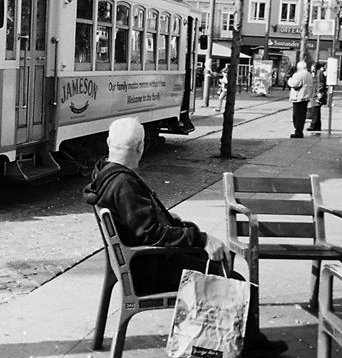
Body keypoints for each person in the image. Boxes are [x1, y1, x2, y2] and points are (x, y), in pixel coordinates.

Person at [83, 117, 288, 356]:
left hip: (140, 265)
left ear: (109, 142)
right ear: (140, 148)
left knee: (222, 267)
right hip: (150, 271)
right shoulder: (124, 183)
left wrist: (164, 218)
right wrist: (201, 239)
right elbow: (151, 234)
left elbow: (139, 223)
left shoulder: (106, 173)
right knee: (234, 279)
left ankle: (242, 342)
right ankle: (247, 347)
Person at [287, 61, 313, 138]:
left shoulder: (299, 74)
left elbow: (294, 84)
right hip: (306, 97)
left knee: (297, 115)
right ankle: (300, 130)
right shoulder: (308, 74)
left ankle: (298, 131)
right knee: (302, 115)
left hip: (298, 97)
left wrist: (289, 80)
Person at [307, 62, 325, 132]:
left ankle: (313, 125)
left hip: (316, 94)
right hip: (314, 93)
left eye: (313, 67)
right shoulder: (316, 73)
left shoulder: (319, 73)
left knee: (315, 110)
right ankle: (317, 125)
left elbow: (320, 83)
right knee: (316, 110)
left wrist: (319, 93)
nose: (312, 69)